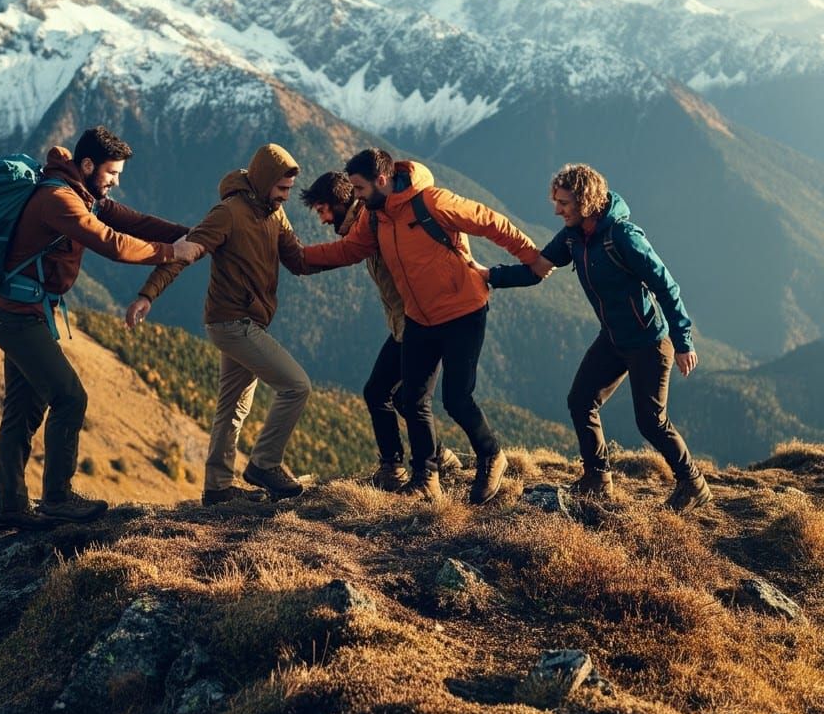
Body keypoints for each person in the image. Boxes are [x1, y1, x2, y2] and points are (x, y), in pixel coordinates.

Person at [0, 126, 202, 530]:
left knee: (24, 410)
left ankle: (9, 507)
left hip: (21, 313)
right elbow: (112, 242)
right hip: (16, 317)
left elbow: (133, 221)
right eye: (112, 173)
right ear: (87, 165)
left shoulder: (84, 193)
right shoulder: (58, 199)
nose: (117, 182)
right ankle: (57, 499)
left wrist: (192, 235)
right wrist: (173, 252)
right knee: (69, 397)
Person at [301, 149, 540, 504]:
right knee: (411, 398)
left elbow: (488, 220)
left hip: (463, 311)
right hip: (419, 318)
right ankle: (426, 477)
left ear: (381, 181)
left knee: (457, 400)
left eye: (360, 188)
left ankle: (491, 455)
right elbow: (347, 251)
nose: (357, 196)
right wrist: (295, 256)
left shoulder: (432, 201)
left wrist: (534, 260)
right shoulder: (374, 218)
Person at [486, 163, 712, 513]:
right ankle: (597, 478)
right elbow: (538, 270)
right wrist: (489, 276)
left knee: (651, 421)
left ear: (585, 201)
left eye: (563, 202)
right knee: (580, 400)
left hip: (649, 342)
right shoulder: (574, 236)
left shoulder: (622, 236)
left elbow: (666, 286)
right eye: (555, 201)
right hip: (612, 339)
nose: (556, 210)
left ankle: (693, 484)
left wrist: (683, 341)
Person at [128, 144, 312, 506]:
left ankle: (218, 490)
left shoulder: (275, 214)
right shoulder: (228, 213)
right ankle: (265, 463)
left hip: (249, 321)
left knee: (233, 408)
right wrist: (148, 294)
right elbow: (186, 252)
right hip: (232, 322)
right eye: (282, 189)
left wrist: (359, 246)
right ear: (263, 181)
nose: (286, 197)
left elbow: (300, 260)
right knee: (296, 386)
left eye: (289, 190)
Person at [300, 171, 460, 491]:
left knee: (385, 393)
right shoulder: (366, 224)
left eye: (323, 210)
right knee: (397, 395)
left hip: (421, 323)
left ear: (341, 202)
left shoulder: (376, 223)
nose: (322, 219)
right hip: (407, 323)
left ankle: (402, 469)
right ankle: (438, 459)